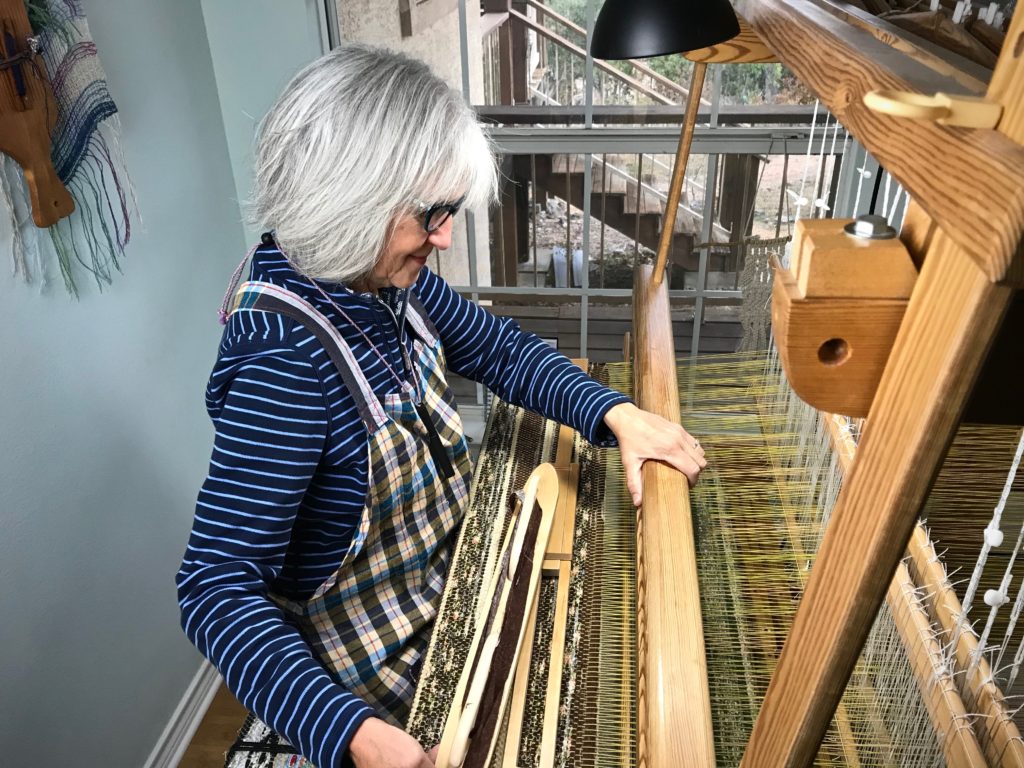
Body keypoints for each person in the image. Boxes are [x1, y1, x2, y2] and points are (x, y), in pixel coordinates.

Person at [176, 44, 706, 768]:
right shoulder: (285, 362)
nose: (446, 236)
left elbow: (500, 352)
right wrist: (352, 734)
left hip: (452, 588)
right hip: (385, 679)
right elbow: (215, 588)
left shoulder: (384, 278)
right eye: (432, 214)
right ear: (351, 202)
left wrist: (614, 414)